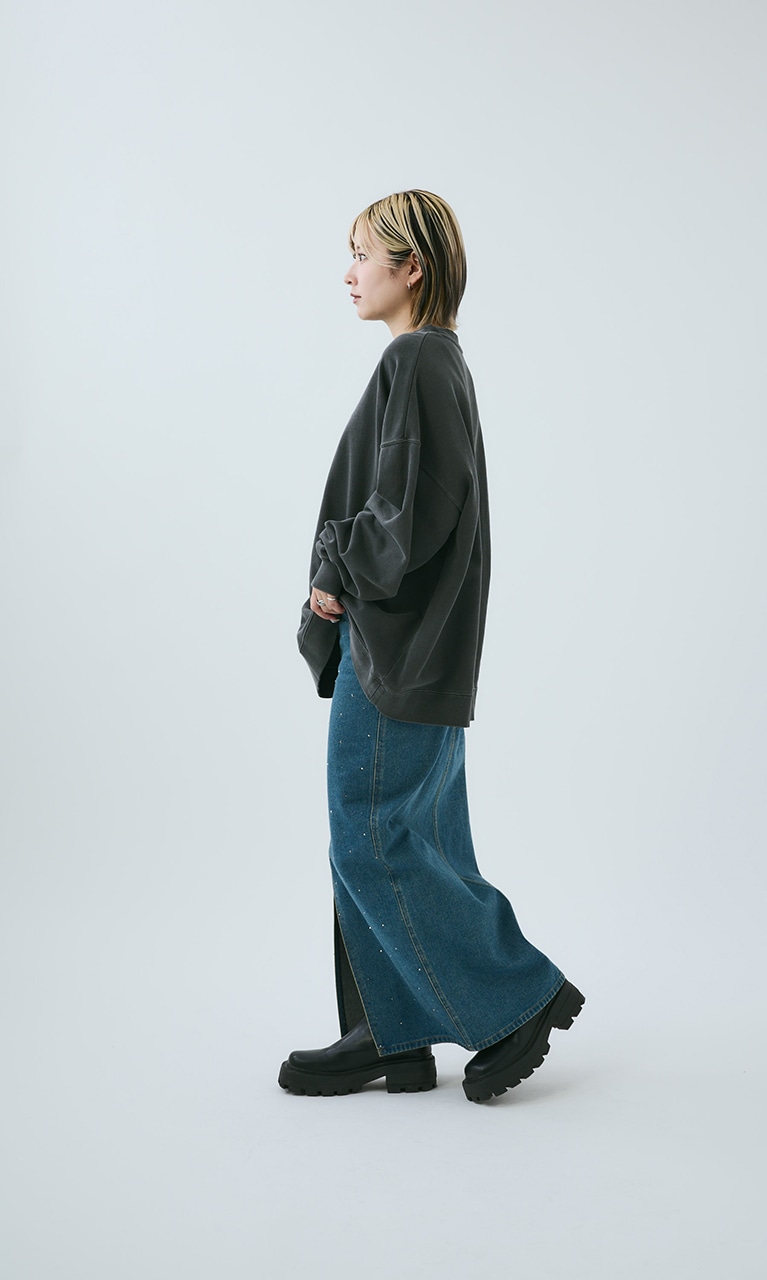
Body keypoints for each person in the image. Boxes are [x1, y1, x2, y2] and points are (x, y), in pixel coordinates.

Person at [278, 189, 584, 1103]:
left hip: (394, 648)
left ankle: (517, 995)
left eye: (362, 253)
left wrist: (338, 568)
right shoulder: (436, 361)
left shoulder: (416, 360)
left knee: (369, 835)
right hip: (414, 645)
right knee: (411, 835)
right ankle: (391, 1033)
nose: (348, 273)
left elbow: (409, 514)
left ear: (411, 268)